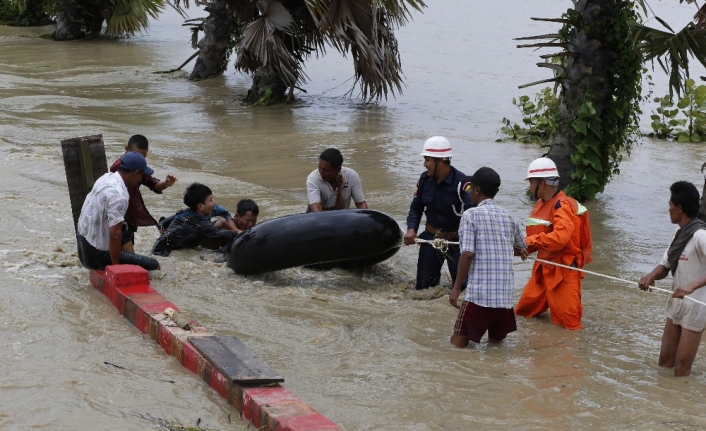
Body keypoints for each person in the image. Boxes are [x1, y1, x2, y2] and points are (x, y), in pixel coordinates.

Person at [449, 167, 527, 347]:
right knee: (496, 345)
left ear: (477, 190)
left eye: (470, 190)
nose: (469, 194)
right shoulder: (508, 217)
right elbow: (522, 248)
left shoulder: (470, 215)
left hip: (479, 297)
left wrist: (456, 288)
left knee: (457, 344)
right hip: (504, 300)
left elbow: (467, 254)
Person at [515, 157, 593, 330]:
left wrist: (528, 242)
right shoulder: (542, 204)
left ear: (542, 183)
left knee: (570, 326)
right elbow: (538, 238)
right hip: (544, 269)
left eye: (531, 182)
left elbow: (559, 239)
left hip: (563, 272)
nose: (529, 187)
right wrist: (517, 248)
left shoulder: (562, 206)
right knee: (522, 313)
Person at [638, 181, 706, 377]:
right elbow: (665, 265)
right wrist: (650, 277)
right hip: (676, 301)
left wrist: (691, 287)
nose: (668, 209)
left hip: (696, 304)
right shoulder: (677, 234)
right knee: (664, 362)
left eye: (670, 205)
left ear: (680, 208)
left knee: (681, 368)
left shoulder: (701, 236)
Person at [403, 136, 473, 290]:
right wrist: (411, 229)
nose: (424, 164)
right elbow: (416, 208)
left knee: (462, 288)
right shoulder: (424, 180)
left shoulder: (463, 183)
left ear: (439, 161)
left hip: (457, 242)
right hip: (431, 238)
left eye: (427, 160)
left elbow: (474, 212)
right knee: (423, 289)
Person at [76, 152, 161, 271]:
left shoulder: (106, 177)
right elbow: (115, 234)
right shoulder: (119, 196)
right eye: (142, 175)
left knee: (127, 248)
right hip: (95, 255)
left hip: (82, 244)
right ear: (136, 173)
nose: (141, 179)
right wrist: (116, 269)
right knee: (154, 265)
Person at [109, 134, 177, 253]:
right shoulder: (118, 168)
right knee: (123, 250)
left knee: (126, 247)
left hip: (130, 214)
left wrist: (166, 184)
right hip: (119, 214)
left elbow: (153, 184)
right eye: (136, 154)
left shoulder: (139, 166)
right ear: (126, 149)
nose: (139, 159)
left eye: (143, 156)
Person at [151, 183, 241, 256]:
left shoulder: (184, 212)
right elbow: (219, 234)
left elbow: (161, 224)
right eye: (211, 200)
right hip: (163, 252)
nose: (214, 202)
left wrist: (170, 234)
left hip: (158, 245)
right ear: (200, 206)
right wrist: (239, 232)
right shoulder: (200, 223)